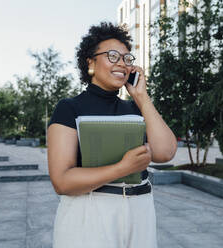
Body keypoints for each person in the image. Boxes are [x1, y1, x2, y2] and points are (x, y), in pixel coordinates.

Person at [47, 22, 177, 248]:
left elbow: (166, 152)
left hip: (141, 211)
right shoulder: (69, 108)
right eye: (113, 56)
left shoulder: (135, 109)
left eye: (127, 59)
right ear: (90, 62)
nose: (122, 64)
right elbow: (62, 181)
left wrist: (142, 97)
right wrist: (122, 168)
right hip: (90, 212)